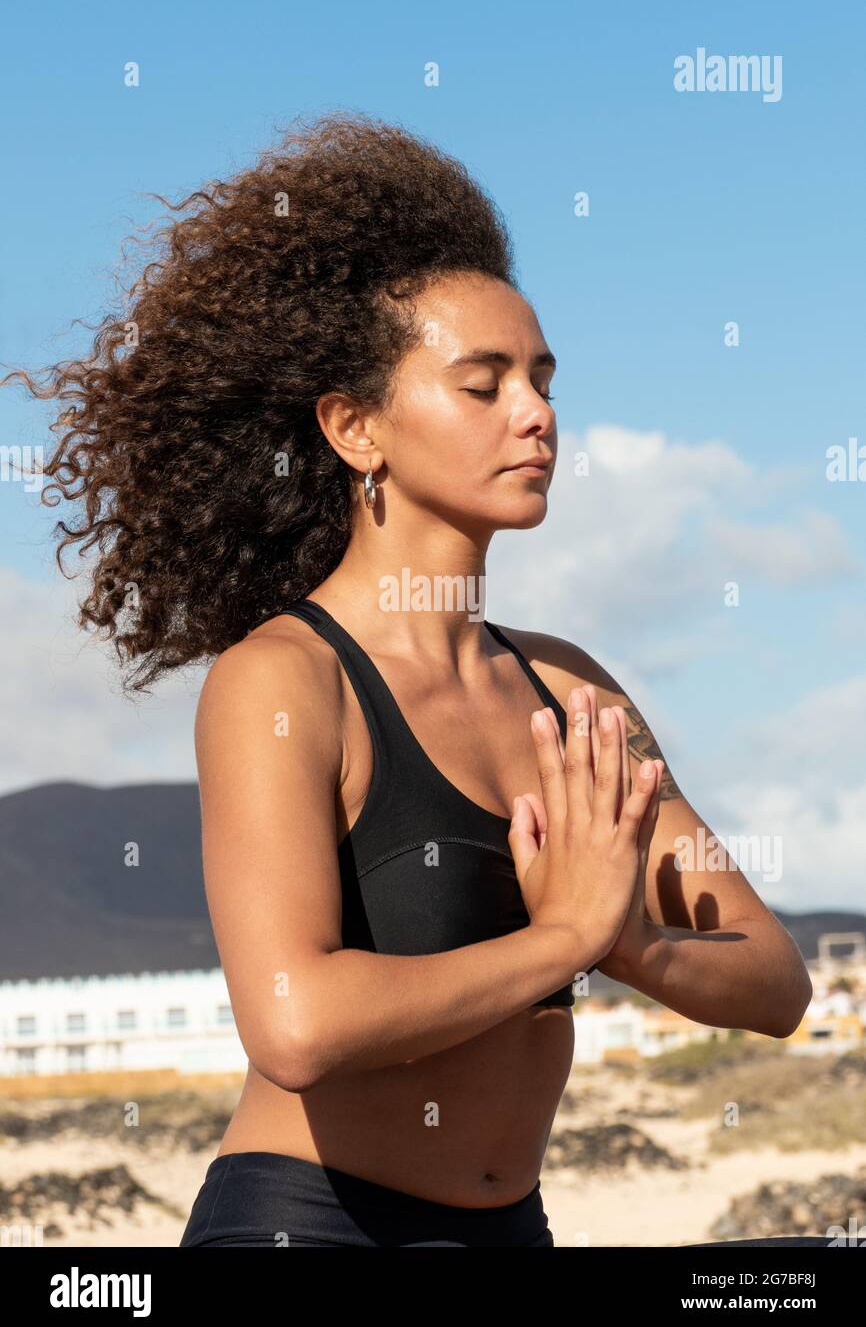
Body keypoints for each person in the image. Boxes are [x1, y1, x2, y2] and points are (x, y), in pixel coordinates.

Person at [9, 111, 813, 1247]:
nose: (535, 414)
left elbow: (775, 981)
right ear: (353, 429)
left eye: (539, 378)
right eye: (481, 385)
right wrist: (562, 939)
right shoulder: (284, 682)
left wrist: (629, 942)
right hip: (308, 1222)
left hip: (511, 1227)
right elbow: (293, 1022)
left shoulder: (567, 689)